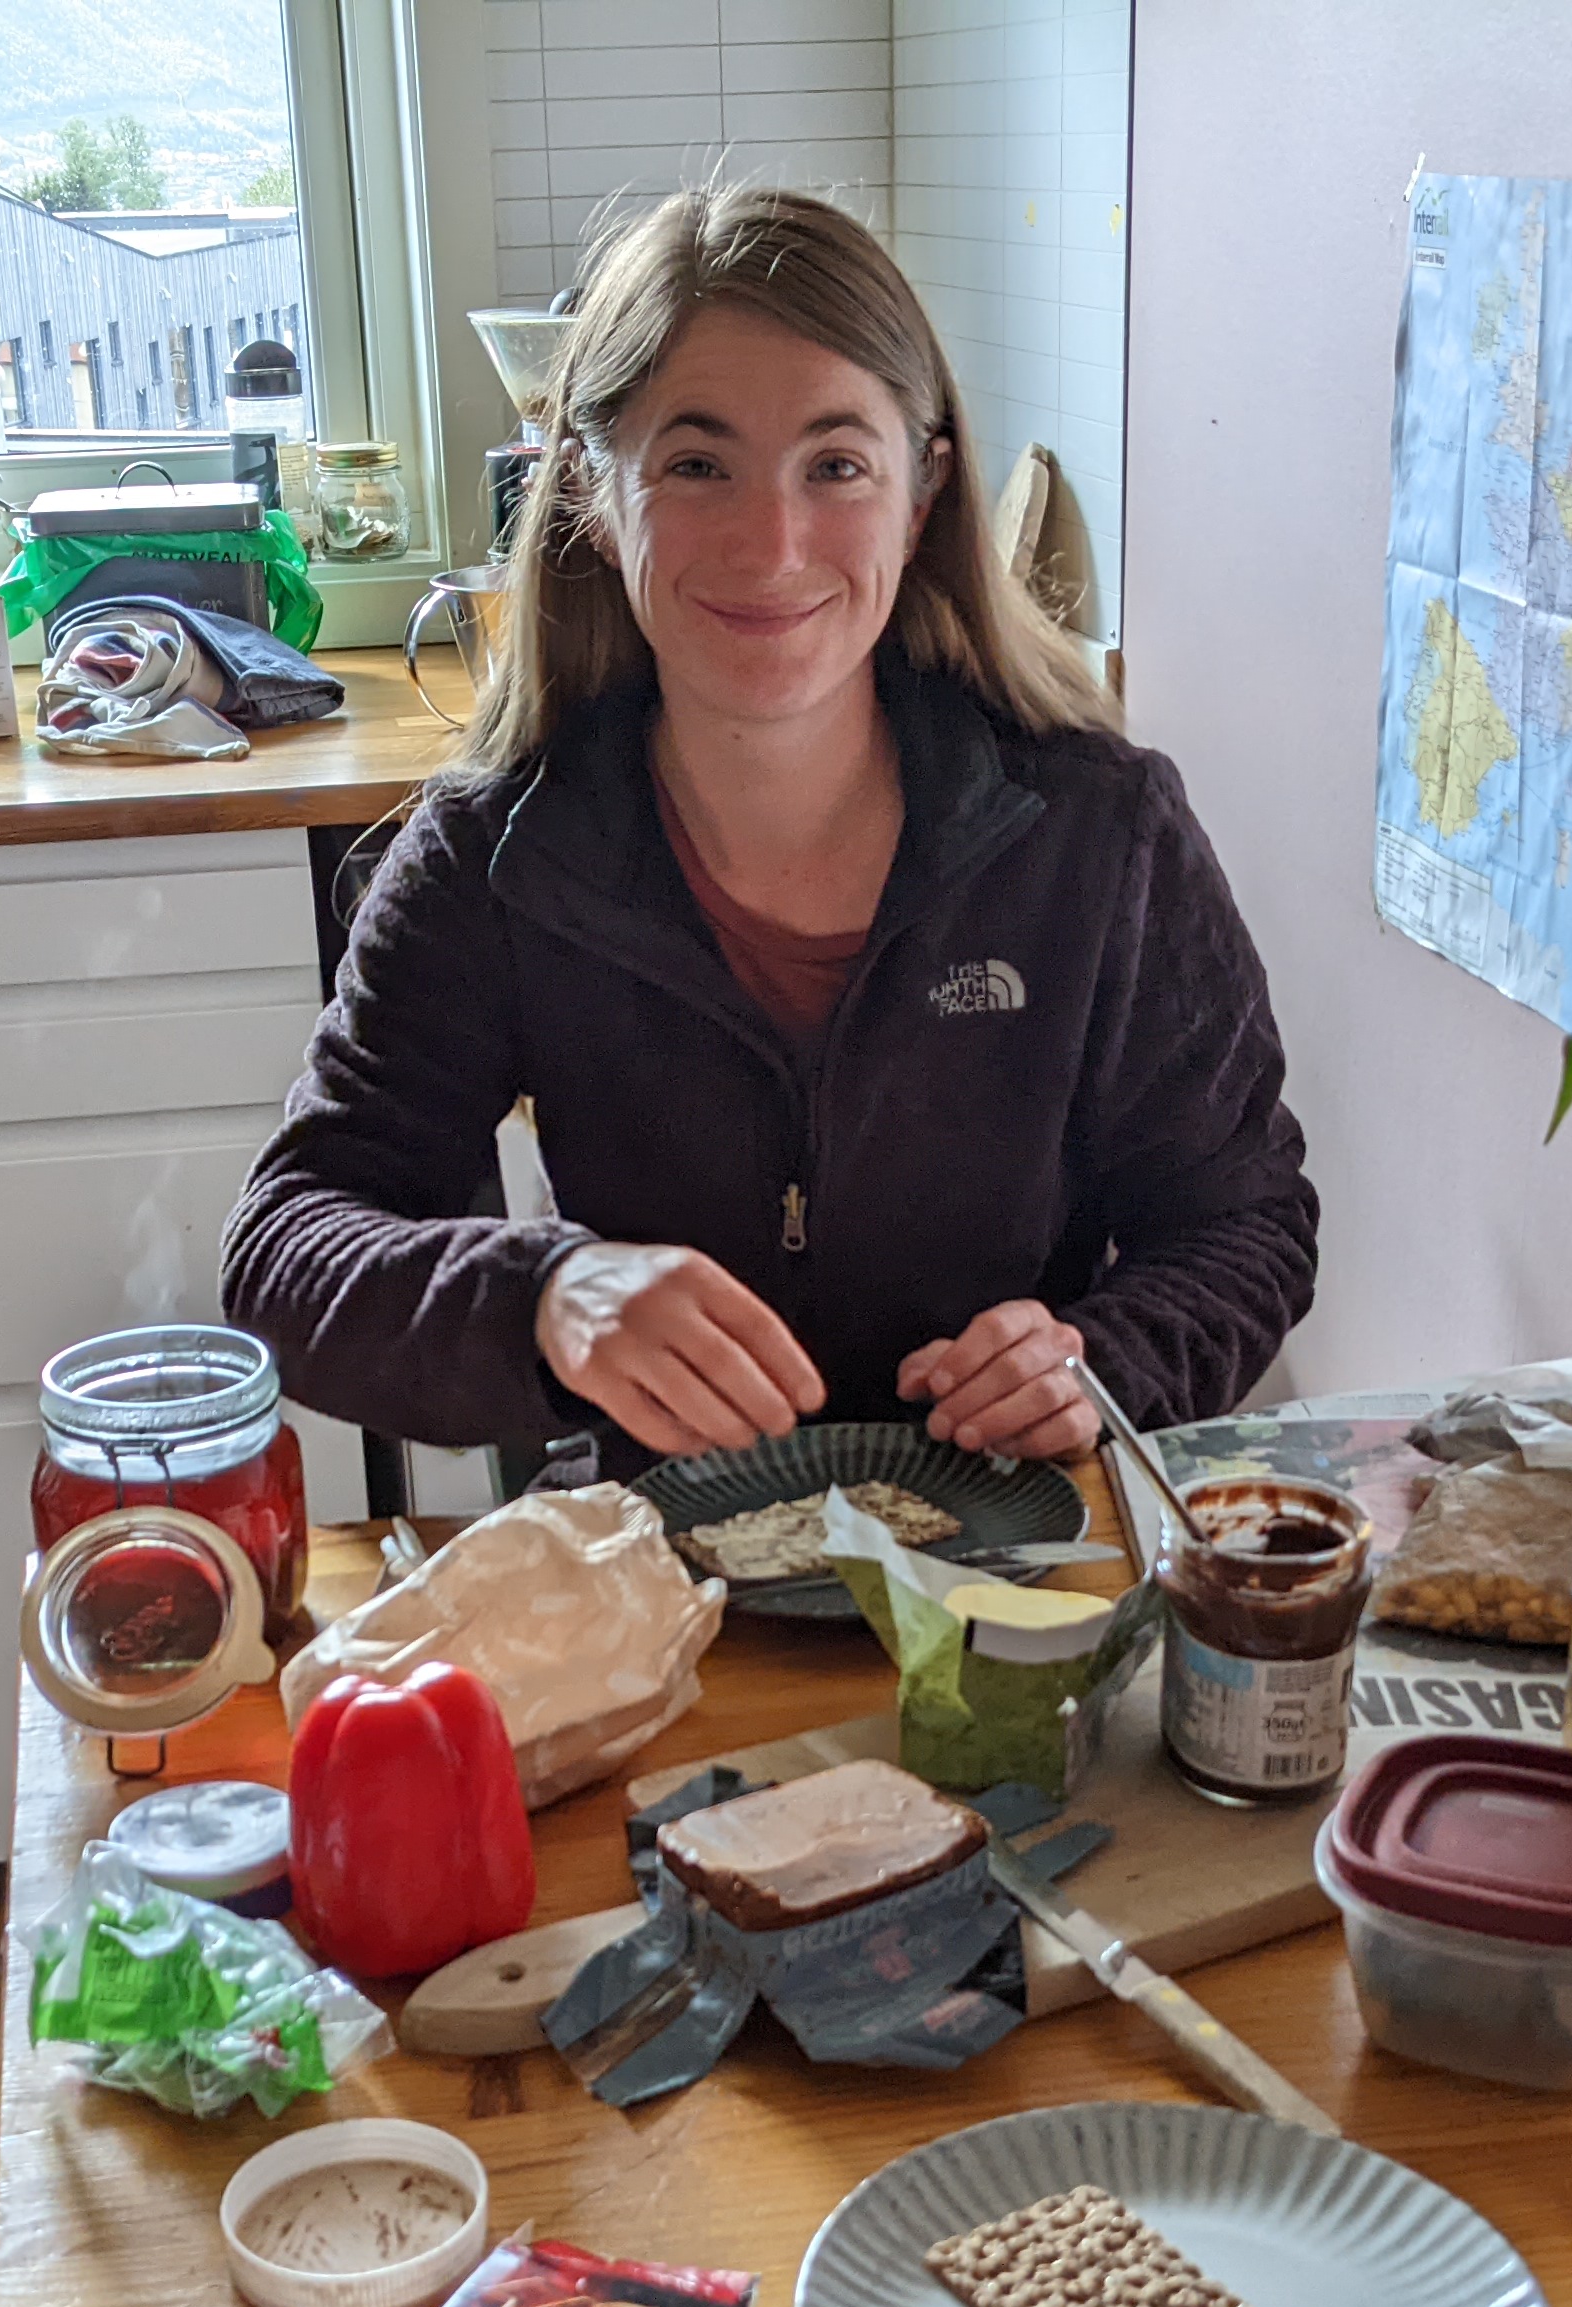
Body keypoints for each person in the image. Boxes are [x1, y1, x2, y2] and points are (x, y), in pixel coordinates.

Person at [220, 186, 1316, 1467]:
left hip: (1025, 1588)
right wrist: (546, 1301)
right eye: (696, 464)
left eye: (836, 465)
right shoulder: (497, 858)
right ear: (588, 489)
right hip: (658, 1594)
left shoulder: (1102, 835)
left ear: (922, 493)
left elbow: (1245, 1225)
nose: (772, 542)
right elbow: (286, 1247)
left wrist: (1101, 1364)